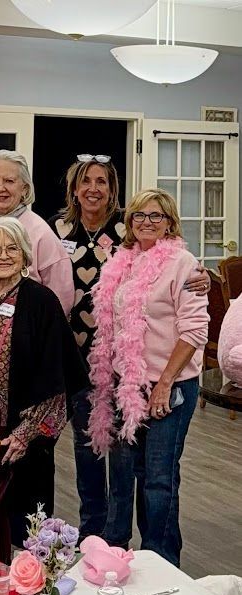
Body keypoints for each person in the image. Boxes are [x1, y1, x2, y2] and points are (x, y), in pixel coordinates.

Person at [86, 189, 205, 566]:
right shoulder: (122, 262)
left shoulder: (183, 264)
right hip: (127, 385)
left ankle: (162, 561)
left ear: (169, 222)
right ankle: (114, 558)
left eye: (156, 216)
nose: (147, 222)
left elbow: (194, 331)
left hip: (170, 385)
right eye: (139, 215)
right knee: (121, 476)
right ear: (129, 222)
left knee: (158, 478)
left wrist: (165, 384)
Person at [0, 217, 83, 550]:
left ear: (25, 255)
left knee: (26, 527)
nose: (4, 255)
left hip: (22, 435)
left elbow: (58, 371)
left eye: (12, 248)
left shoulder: (41, 301)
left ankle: (29, 590)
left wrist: (26, 434)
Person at [56, 156, 128, 541]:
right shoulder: (59, 229)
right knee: (85, 449)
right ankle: (90, 532)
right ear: (75, 188)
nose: (93, 189)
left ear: (111, 188)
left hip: (119, 357)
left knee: (119, 451)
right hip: (75, 359)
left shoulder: (126, 230)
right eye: (86, 181)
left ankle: (116, 536)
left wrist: (197, 275)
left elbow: (165, 263)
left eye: (101, 181)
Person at [0, 149, 76, 312]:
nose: (0, 187)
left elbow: (62, 298)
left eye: (9, 181)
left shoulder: (41, 232)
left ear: (25, 188)